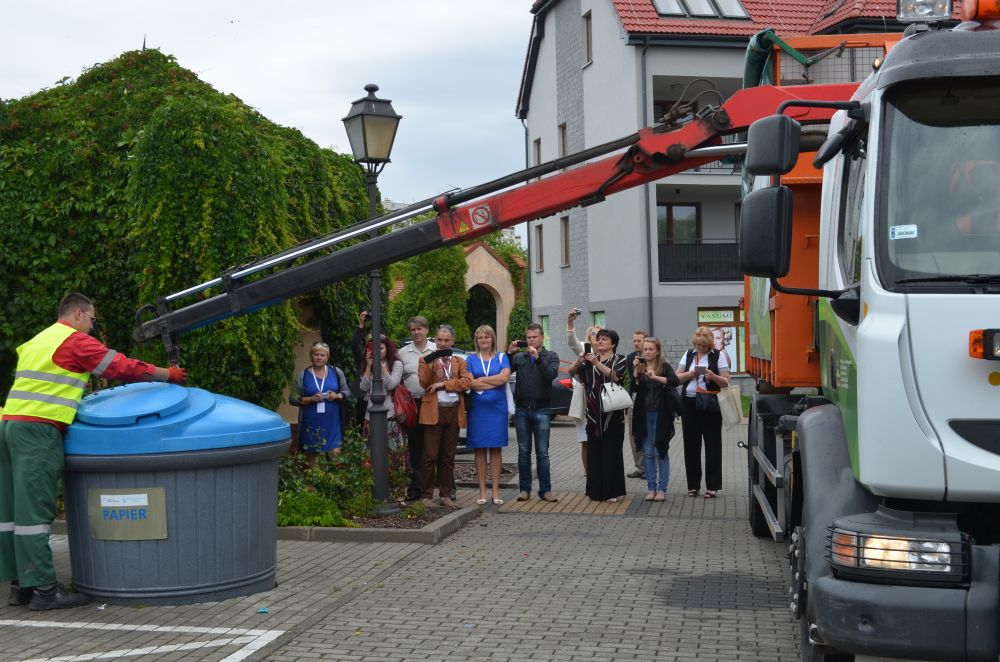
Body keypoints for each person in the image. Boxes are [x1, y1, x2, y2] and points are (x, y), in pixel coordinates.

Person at [0, 293, 186, 611]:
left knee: (15, 513)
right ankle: (45, 591)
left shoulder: (37, 341)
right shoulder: (73, 341)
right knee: (34, 515)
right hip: (38, 429)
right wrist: (166, 374)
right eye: (92, 319)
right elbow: (119, 366)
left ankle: (22, 586)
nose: (92, 326)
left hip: (10, 426)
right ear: (78, 313)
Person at [570, 328, 628, 503]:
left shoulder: (620, 359)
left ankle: (612, 491)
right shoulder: (589, 359)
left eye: (604, 339)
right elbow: (572, 372)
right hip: (593, 412)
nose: (600, 341)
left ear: (613, 343)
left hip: (612, 412)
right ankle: (595, 491)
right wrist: (580, 361)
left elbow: (616, 376)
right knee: (594, 452)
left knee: (611, 452)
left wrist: (596, 362)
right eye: (599, 339)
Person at [417, 324, 471, 508]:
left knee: (448, 457)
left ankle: (445, 495)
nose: (442, 343)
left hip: (453, 410)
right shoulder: (426, 359)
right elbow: (423, 382)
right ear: (435, 340)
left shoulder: (459, 361)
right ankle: (426, 496)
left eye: (446, 340)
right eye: (439, 340)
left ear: (452, 342)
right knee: (430, 455)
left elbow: (466, 382)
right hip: (433, 410)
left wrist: (443, 385)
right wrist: (432, 365)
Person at [507, 323, 560, 503]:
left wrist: (537, 358)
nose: (531, 340)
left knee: (542, 452)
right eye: (528, 337)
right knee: (523, 452)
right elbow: (505, 371)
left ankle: (545, 490)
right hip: (522, 409)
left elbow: (551, 375)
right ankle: (524, 489)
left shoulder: (550, 356)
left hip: (542, 409)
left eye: (534, 337)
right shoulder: (520, 357)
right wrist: (509, 353)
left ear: (542, 337)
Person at [677, 326, 731, 499]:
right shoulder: (689, 354)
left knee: (712, 445)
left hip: (710, 404)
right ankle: (693, 485)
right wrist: (690, 374)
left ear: (709, 344)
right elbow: (676, 378)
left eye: (703, 345)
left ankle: (712, 486)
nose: (700, 348)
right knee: (690, 445)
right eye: (698, 345)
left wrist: (712, 376)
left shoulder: (718, 355)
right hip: (689, 403)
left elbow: (726, 381)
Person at [358, 334, 407, 505]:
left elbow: (392, 384)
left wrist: (381, 367)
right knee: (370, 454)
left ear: (388, 348)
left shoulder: (397, 364)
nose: (378, 351)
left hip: (390, 415)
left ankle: (398, 493)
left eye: (381, 348)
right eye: (374, 348)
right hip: (370, 415)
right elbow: (363, 388)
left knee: (394, 456)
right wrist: (369, 366)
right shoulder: (368, 363)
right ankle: (372, 492)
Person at [466, 325, 511, 506]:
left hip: (497, 409)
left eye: (486, 337)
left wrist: (481, 381)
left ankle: (496, 490)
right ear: (476, 341)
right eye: (480, 338)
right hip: (478, 410)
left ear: (492, 338)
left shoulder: (502, 357)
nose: (483, 340)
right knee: (479, 449)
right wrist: (494, 381)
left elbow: (505, 378)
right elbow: (470, 383)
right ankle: (482, 491)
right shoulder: (470, 359)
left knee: (495, 449)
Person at [631, 337, 680, 502]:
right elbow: (632, 388)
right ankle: (651, 488)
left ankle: (662, 489)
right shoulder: (640, 367)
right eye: (645, 349)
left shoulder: (664, 367)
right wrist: (635, 372)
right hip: (643, 415)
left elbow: (675, 381)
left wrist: (656, 377)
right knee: (648, 453)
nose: (647, 352)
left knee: (661, 451)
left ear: (657, 351)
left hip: (661, 415)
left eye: (651, 349)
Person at [289, 341, 349, 462]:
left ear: (327, 357)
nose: (319, 357)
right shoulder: (303, 375)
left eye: (322, 355)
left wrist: (338, 395)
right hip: (310, 424)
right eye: (316, 354)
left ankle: (333, 481)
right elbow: (292, 398)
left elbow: (346, 391)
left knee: (335, 456)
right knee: (313, 461)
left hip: (332, 424)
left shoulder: (336, 372)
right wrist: (310, 399)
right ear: (311, 356)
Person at [397, 315, 436, 501]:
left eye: (419, 329)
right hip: (413, 404)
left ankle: (433, 487)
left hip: (433, 403)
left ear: (427, 330)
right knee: (414, 448)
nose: (416, 332)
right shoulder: (403, 353)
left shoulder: (436, 349)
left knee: (432, 448)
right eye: (413, 329)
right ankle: (415, 488)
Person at [566, 309, 602, 475]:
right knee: (585, 441)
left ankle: (601, 471)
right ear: (589, 338)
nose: (598, 337)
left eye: (601, 334)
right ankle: (589, 474)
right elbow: (572, 342)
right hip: (584, 403)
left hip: (602, 403)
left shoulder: (607, 353)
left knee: (601, 440)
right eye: (594, 334)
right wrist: (570, 323)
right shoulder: (584, 349)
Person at [624, 330, 648, 480]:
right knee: (633, 436)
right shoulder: (630, 358)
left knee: (648, 435)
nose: (636, 343)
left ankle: (651, 467)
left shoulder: (652, 357)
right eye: (634, 340)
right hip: (633, 402)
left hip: (649, 403)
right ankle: (640, 467)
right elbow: (629, 383)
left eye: (639, 341)